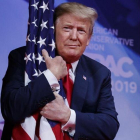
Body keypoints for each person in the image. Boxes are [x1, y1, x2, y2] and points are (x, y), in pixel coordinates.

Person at [1, 2, 119, 140]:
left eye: (81, 30)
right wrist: (50, 76)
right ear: (53, 31)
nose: (74, 37)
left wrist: (68, 116)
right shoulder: (25, 59)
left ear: (89, 38)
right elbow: (10, 110)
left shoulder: (99, 73)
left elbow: (110, 127)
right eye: (67, 28)